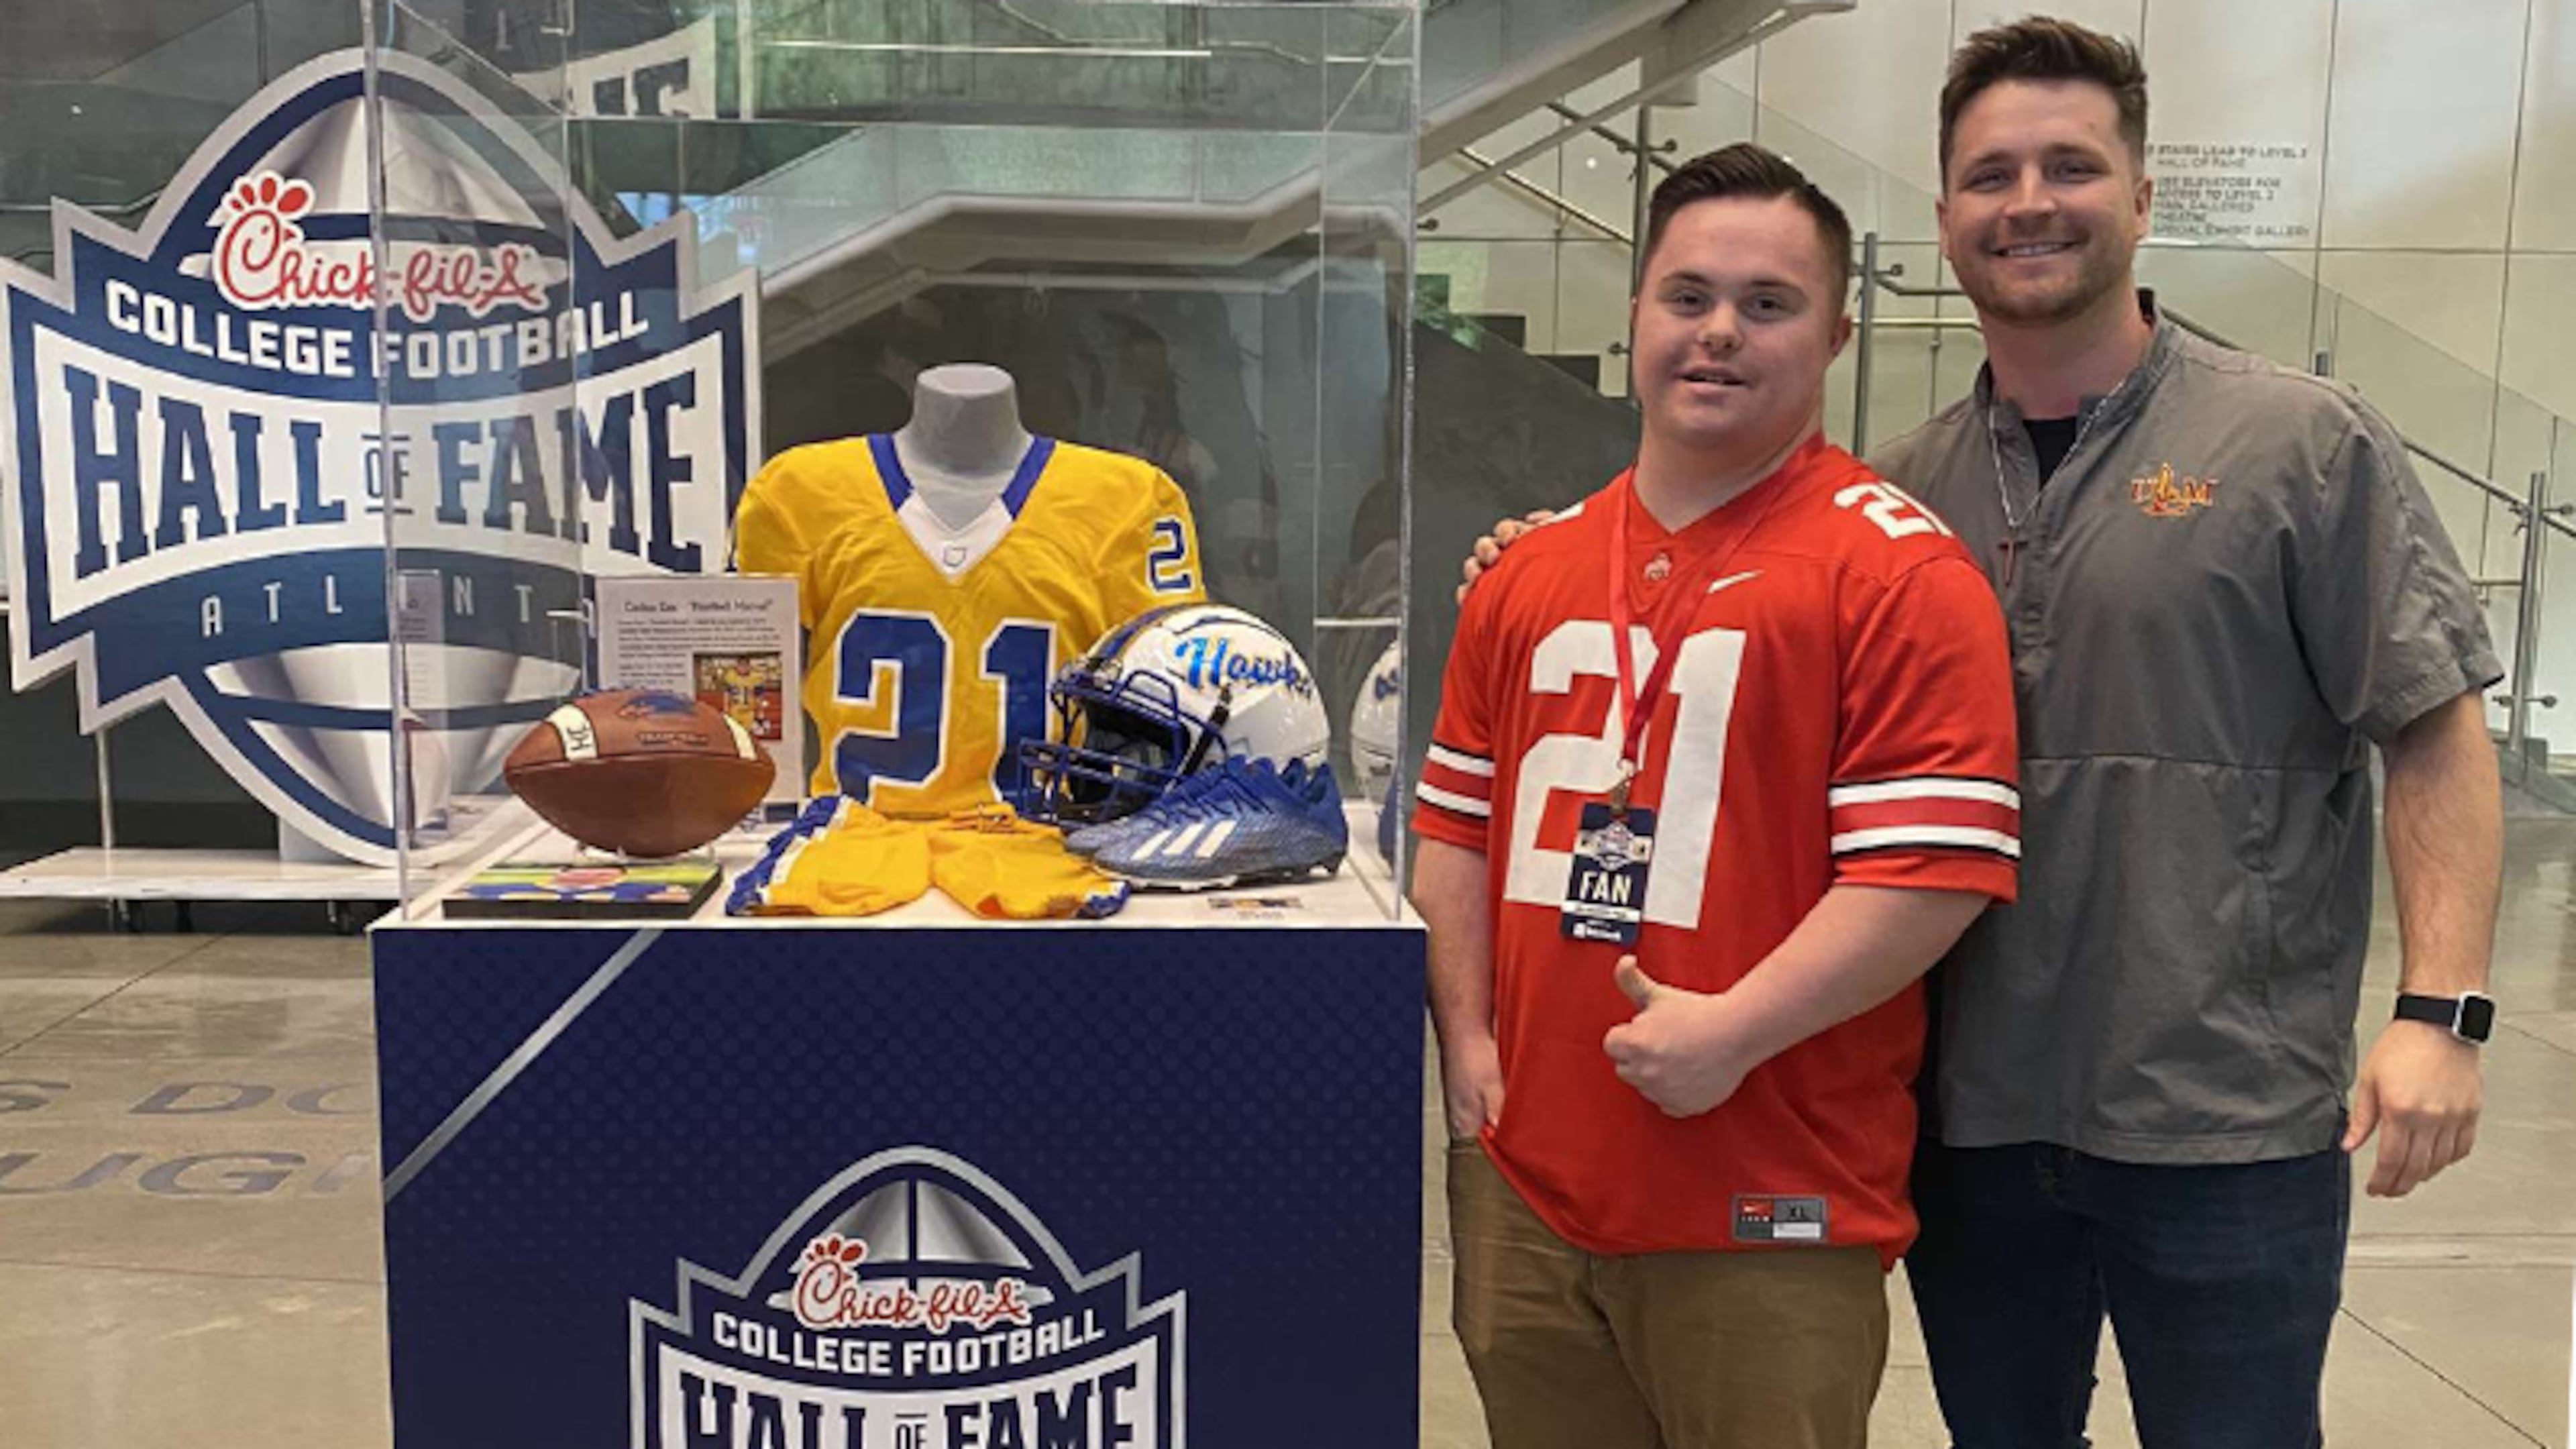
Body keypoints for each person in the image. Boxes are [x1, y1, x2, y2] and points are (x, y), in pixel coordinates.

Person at [1458, 19, 2503, 1449]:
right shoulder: (1904, 487)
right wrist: (1541, 555)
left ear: (2141, 199)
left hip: (2223, 1113)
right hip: (1973, 1114)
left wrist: (2440, 1010)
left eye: (2071, 166)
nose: (2029, 203)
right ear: (1945, 217)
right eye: (1989, 173)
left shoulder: (2300, 446)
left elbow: (2435, 724)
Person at [1410, 142, 2022, 1449]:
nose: (1720, 333)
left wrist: (1736, 1028)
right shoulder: (1530, 573)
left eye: (1768, 303)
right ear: (1635, 311)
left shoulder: (1900, 576)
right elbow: (1454, 830)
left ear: (1837, 333)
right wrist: (1466, 1047)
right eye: (1687, 297)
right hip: (1527, 1185)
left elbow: (1934, 874)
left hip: (1768, 1202)